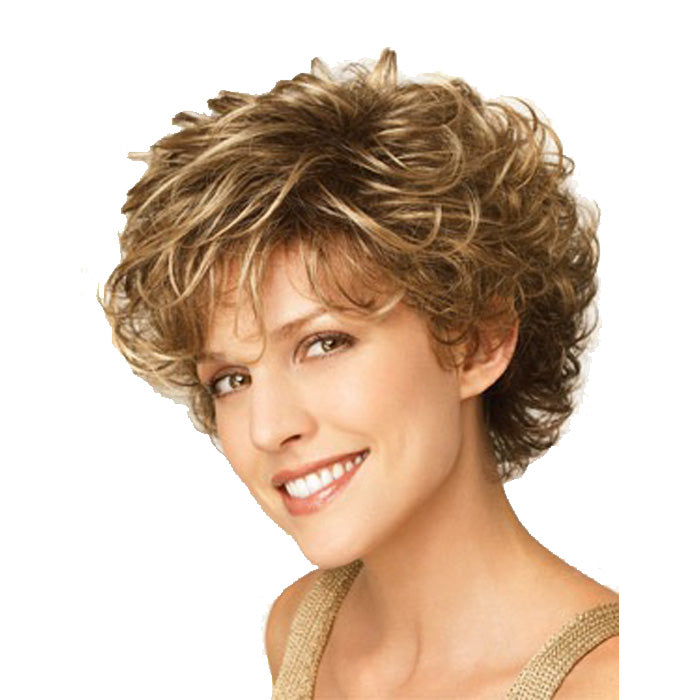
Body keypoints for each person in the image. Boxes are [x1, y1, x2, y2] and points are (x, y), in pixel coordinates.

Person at [100, 48, 618, 698]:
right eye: (231, 379)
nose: (268, 429)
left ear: (478, 341)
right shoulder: (301, 632)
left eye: (323, 344)